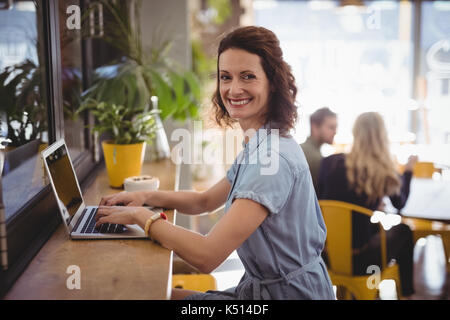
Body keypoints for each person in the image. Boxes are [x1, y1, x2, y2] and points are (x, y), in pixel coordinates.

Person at [95, 26, 335, 300]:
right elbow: (205, 200)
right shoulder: (261, 142)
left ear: (272, 82)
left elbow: (207, 256)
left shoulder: (272, 159)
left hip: (288, 296)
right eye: (225, 77)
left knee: (142, 295)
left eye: (248, 76)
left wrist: (141, 217)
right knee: (150, 294)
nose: (233, 89)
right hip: (262, 291)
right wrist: (144, 196)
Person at [318, 112, 417, 297]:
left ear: (355, 132)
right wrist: (408, 172)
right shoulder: (382, 168)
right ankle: (407, 293)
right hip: (361, 259)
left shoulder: (329, 162)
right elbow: (400, 203)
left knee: (368, 225)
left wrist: (366, 206)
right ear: (382, 136)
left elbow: (323, 201)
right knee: (404, 231)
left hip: (325, 255)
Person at [301, 107, 337, 194]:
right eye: (331, 127)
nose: (335, 132)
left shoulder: (302, 149)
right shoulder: (316, 159)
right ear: (315, 127)